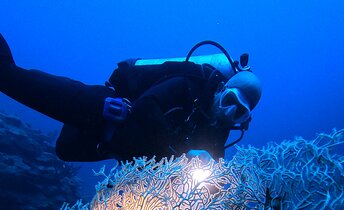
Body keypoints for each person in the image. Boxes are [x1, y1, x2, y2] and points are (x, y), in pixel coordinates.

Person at [0, 34, 262, 163]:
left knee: (64, 150)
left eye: (238, 112)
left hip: (115, 144)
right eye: (230, 101)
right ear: (221, 89)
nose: (228, 113)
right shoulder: (189, 84)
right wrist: (183, 153)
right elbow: (146, 107)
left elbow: (213, 165)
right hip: (107, 111)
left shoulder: (220, 131)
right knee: (9, 77)